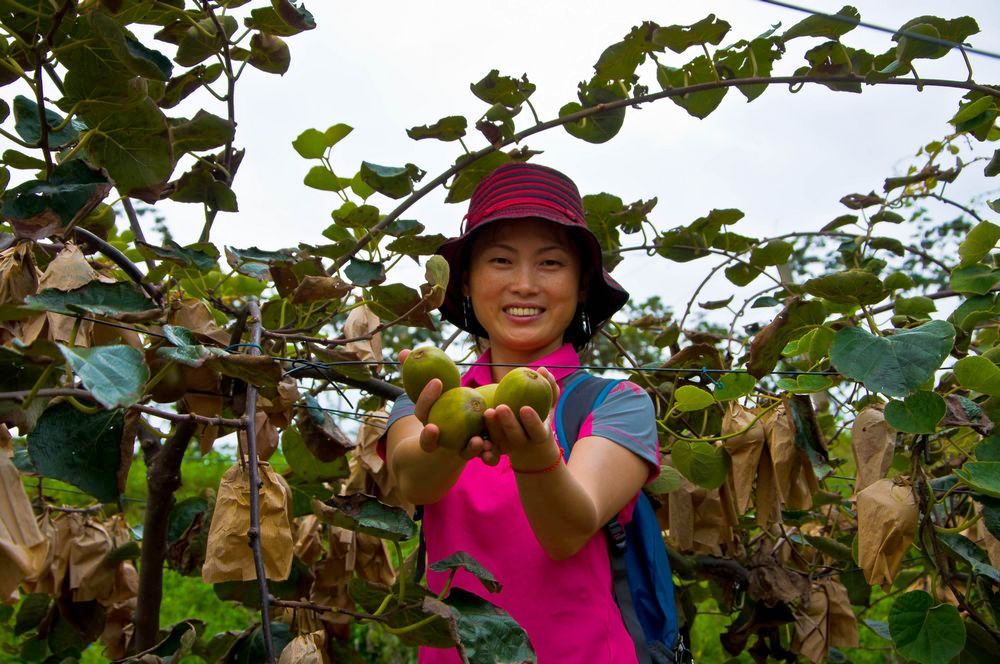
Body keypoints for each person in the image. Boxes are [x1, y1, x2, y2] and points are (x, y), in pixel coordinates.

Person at [383, 162, 661, 663]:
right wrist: (446, 438)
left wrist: (537, 457)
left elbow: (566, 532)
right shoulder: (427, 395)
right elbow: (413, 482)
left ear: (580, 287)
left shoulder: (617, 404)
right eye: (501, 261)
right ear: (466, 283)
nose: (525, 284)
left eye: (551, 264)